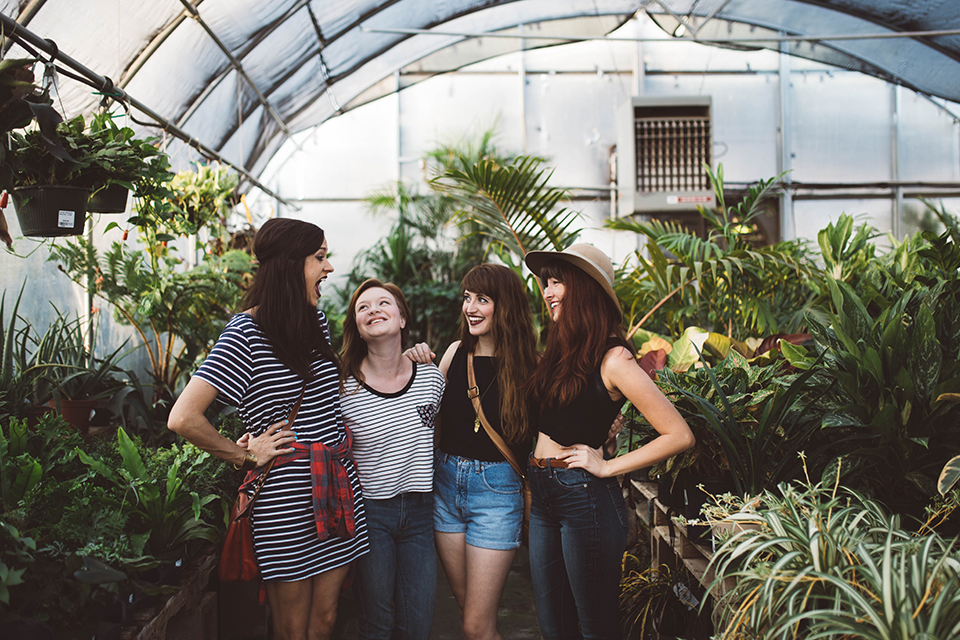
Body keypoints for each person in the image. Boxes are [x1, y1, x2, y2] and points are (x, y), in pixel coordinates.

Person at [167, 218, 368, 640]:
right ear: (290, 265)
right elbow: (183, 417)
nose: (328, 268)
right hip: (286, 502)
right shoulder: (245, 332)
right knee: (292, 630)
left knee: (326, 621)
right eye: (319, 257)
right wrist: (244, 453)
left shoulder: (317, 323)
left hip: (336, 489)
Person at [524, 243, 695, 640]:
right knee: (554, 627)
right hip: (544, 493)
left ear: (584, 288)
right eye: (546, 282)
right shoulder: (561, 350)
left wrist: (607, 466)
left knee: (596, 628)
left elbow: (680, 434)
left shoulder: (614, 357)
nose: (547, 291)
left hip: (584, 498)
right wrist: (607, 441)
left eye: (556, 282)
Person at [428, 264, 539, 640]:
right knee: (469, 612)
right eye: (467, 297)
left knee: (475, 625)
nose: (470, 307)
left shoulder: (532, 367)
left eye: (483, 299)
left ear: (505, 305)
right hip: (445, 488)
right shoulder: (455, 353)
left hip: (496, 494)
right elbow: (428, 414)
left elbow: (562, 421)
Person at [338, 279, 445, 640]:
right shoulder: (342, 386)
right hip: (370, 513)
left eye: (384, 303)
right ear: (356, 325)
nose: (373, 310)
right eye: (363, 308)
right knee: (378, 623)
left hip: (420, 512)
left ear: (402, 319)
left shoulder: (431, 376)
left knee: (417, 624)